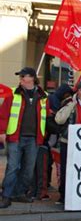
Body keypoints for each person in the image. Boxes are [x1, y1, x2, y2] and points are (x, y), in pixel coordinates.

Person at [0, 67, 49, 208]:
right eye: (20, 76)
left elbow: (45, 117)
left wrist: (43, 134)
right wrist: (2, 131)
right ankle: (6, 195)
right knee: (12, 167)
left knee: (28, 169)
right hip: (15, 136)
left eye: (23, 76)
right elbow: (3, 114)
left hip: (34, 139)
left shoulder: (43, 96)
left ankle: (19, 193)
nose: (20, 78)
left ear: (32, 78)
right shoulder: (12, 94)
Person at [54, 81, 81, 204]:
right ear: (80, 91)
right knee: (65, 169)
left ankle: (80, 195)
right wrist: (71, 105)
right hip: (68, 141)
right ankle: (63, 195)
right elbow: (59, 120)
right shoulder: (68, 102)